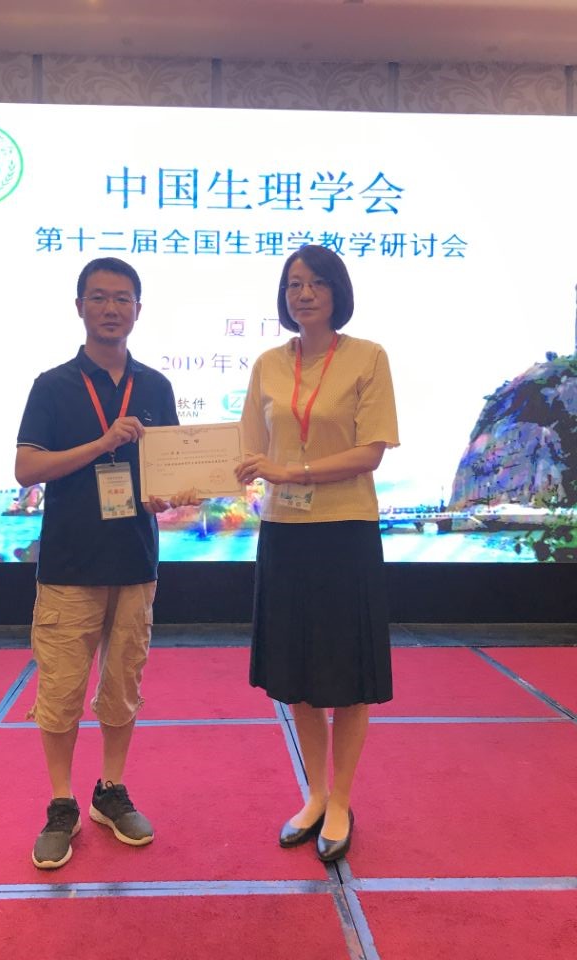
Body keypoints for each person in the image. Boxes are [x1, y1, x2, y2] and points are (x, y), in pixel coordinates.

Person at [16, 256, 198, 870]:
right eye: (98, 297)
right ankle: (61, 803)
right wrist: (102, 443)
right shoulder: (53, 385)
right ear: (79, 307)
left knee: (123, 684)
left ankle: (110, 791)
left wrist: (173, 495)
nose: (111, 308)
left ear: (138, 310)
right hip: (69, 564)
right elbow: (26, 468)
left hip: (135, 562)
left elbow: (167, 473)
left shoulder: (156, 387)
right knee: (61, 689)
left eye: (122, 298)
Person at [235, 245, 399, 862]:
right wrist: (181, 479)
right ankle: (316, 794)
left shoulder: (368, 357)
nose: (303, 294)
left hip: (345, 531)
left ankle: (342, 799)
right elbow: (246, 451)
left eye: (316, 283)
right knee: (297, 675)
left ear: (337, 292)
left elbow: (370, 452)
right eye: (293, 284)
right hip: (285, 533)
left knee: (348, 677)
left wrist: (291, 471)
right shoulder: (268, 365)